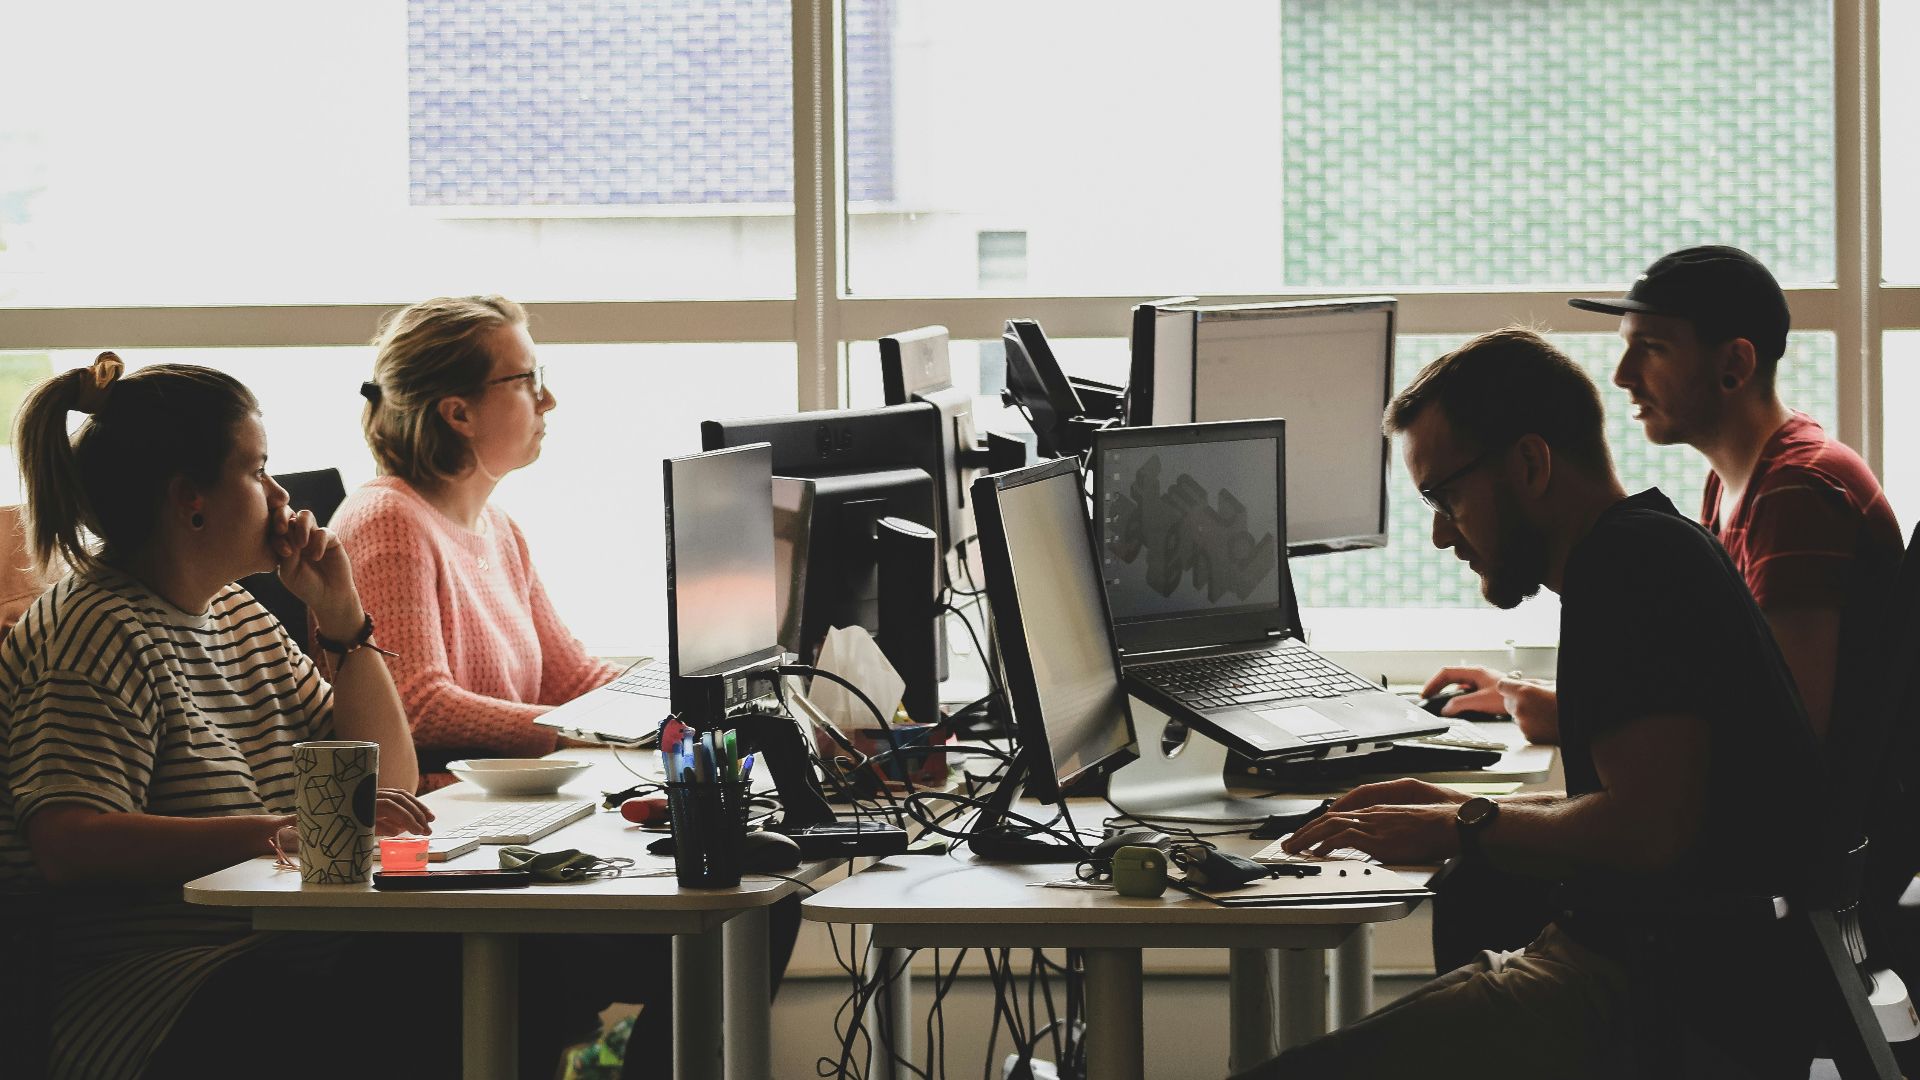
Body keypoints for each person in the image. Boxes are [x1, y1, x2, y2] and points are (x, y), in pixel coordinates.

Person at [1232, 328, 1824, 1078]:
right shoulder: (1653, 545)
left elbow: (1649, 831)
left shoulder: (1630, 567)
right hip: (1674, 983)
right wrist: (1449, 807)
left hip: (1652, 1002)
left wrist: (1465, 825)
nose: (1444, 533)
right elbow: (1644, 805)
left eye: (1444, 495)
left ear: (1531, 463)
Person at [0, 355, 434, 1080]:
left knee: (528, 956)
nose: (279, 492)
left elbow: (387, 782)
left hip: (278, 954)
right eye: (257, 469)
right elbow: (67, 842)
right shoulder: (93, 631)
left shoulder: (237, 614)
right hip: (162, 993)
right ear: (189, 499)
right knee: (426, 985)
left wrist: (343, 620)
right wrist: (273, 833)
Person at [1426, 246, 1903, 744]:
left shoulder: (1796, 491)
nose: (1622, 375)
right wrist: (1531, 695)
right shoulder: (1738, 480)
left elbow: (1789, 730)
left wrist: (1574, 719)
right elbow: (1727, 689)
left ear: (1735, 364)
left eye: (1652, 347)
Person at [334, 295, 622, 792]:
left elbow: (572, 680)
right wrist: (573, 733)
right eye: (527, 379)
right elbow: (416, 706)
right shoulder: (388, 521)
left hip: (504, 799)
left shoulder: (499, 527)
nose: (548, 398)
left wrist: (678, 700)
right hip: (439, 816)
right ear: (459, 413)